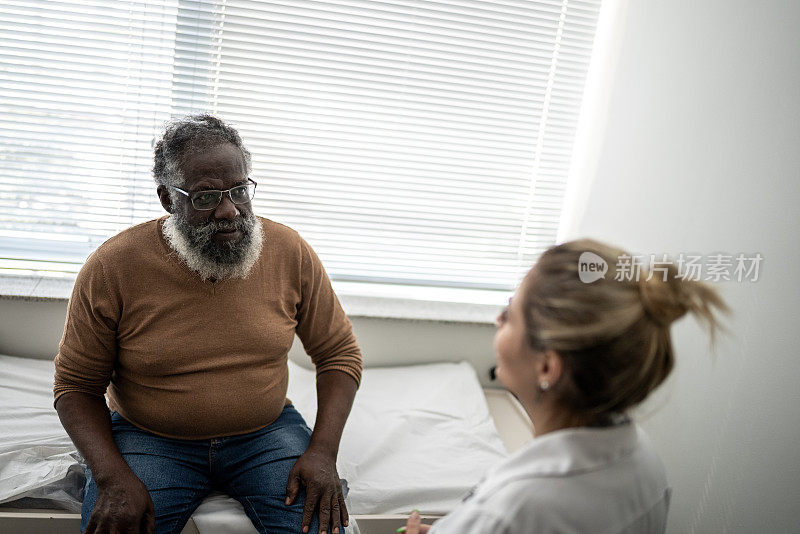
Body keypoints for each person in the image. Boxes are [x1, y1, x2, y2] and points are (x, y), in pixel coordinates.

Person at [53, 114, 362, 534]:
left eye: (239, 190)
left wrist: (323, 452)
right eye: (205, 197)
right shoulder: (113, 266)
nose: (229, 210)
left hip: (265, 435)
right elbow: (75, 386)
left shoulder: (289, 251)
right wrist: (110, 476)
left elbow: (339, 355)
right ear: (167, 199)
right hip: (150, 439)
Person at [403, 239, 727, 533]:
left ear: (546, 366)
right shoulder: (646, 465)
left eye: (509, 315)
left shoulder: (509, 512)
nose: (497, 322)